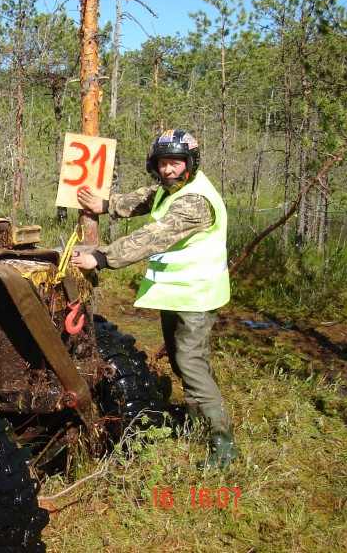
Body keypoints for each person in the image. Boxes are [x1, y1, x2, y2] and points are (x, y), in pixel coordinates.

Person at [71, 128, 240, 469]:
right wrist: (106, 205)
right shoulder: (171, 189)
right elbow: (147, 197)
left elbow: (155, 236)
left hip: (197, 296)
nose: (168, 170)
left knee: (191, 366)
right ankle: (196, 422)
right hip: (178, 295)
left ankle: (223, 445)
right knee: (184, 363)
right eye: (163, 163)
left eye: (175, 163)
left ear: (190, 163)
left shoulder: (195, 201)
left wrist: (102, 257)